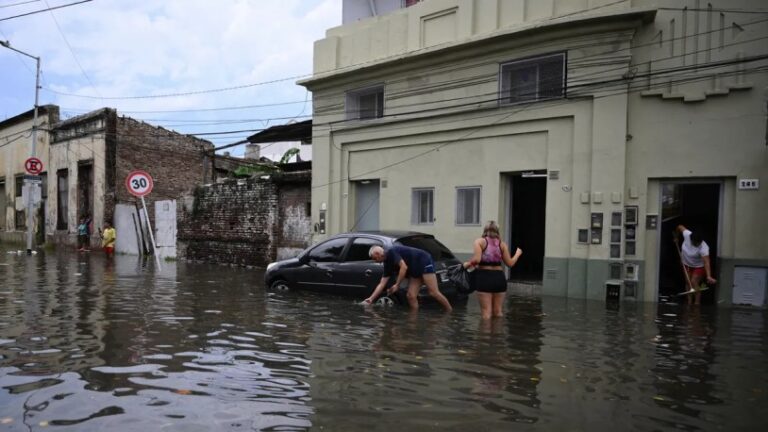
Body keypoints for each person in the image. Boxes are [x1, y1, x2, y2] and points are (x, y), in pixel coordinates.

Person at [363, 245, 453, 312]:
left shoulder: (391, 251)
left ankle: (449, 311)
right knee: (410, 296)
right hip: (415, 270)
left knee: (433, 292)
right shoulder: (387, 264)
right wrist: (371, 299)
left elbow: (404, 267)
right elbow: (382, 283)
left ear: (378, 254)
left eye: (374, 258)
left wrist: (397, 285)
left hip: (424, 261)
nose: (375, 261)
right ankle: (413, 319)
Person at [464, 221, 522, 320]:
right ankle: (498, 334)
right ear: (497, 231)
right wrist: (517, 254)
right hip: (499, 278)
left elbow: (477, 260)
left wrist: (467, 264)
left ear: (485, 230)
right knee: (498, 312)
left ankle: (485, 335)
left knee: (486, 314)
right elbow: (510, 264)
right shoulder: (502, 244)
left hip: (484, 278)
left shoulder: (479, 242)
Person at [676, 224, 716, 305]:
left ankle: (697, 303)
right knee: (688, 282)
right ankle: (689, 301)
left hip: (699, 267)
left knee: (694, 282)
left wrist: (708, 276)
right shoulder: (687, 235)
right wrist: (676, 237)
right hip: (686, 264)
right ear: (691, 240)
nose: (698, 245)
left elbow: (706, 262)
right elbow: (679, 227)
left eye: (699, 243)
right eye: (696, 243)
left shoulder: (704, 248)